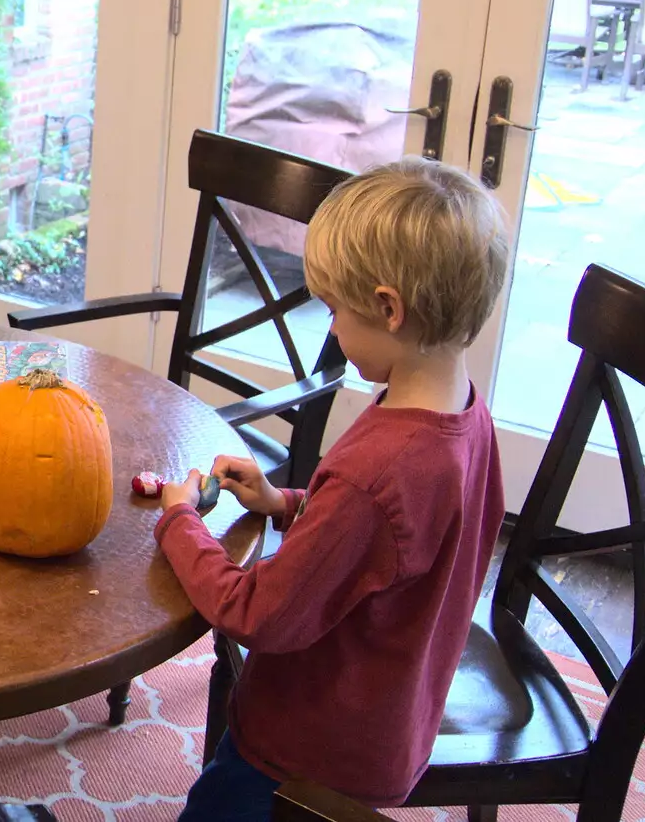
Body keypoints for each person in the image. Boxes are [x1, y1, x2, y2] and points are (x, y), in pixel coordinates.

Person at [155, 157, 511, 819]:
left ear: (387, 308)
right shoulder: (464, 412)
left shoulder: (379, 470)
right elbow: (394, 544)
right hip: (387, 725)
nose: (332, 329)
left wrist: (180, 521)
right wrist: (282, 504)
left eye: (334, 310)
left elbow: (255, 615)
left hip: (301, 753)